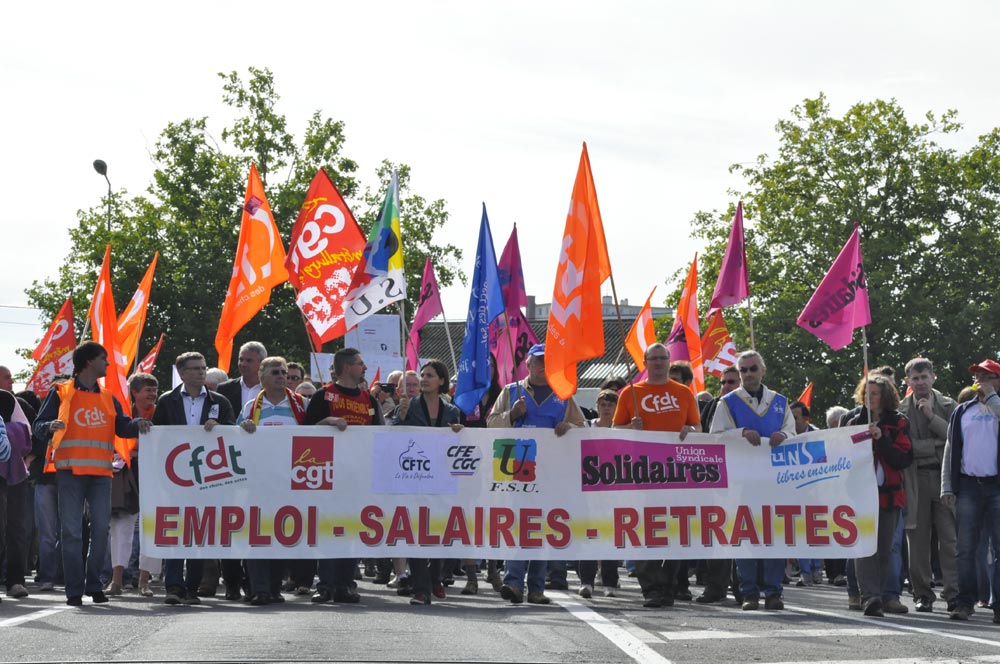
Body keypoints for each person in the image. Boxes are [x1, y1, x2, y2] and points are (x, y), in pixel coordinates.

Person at [33, 342, 152, 606]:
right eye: (103, 359)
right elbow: (38, 426)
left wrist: (137, 423)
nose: (108, 364)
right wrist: (48, 426)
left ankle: (94, 584)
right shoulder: (61, 392)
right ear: (88, 362)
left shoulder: (108, 396)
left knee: (100, 530)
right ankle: (74, 591)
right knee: (72, 532)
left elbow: (122, 426)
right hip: (70, 472)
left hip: (100, 473)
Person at [488, 343, 584, 605]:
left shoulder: (563, 394)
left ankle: (537, 588)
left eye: (547, 362)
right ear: (528, 365)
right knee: (518, 525)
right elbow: (491, 423)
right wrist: (512, 414)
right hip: (517, 466)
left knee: (541, 527)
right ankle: (513, 582)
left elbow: (582, 426)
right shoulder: (511, 392)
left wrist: (569, 427)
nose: (542, 366)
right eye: (538, 361)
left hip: (551, 470)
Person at [613, 343, 700, 608]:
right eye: (654, 359)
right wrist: (630, 426)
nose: (659, 363)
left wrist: (691, 431)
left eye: (664, 358)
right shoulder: (630, 393)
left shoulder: (684, 393)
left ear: (669, 361)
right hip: (641, 473)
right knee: (646, 530)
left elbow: (697, 425)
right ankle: (651, 587)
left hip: (676, 474)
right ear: (645, 361)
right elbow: (614, 429)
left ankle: (669, 586)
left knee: (673, 530)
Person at [709, 350, 795, 611]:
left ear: (763, 370)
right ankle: (748, 593)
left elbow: (793, 432)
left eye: (752, 369)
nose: (748, 374)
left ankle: (773, 592)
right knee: (745, 536)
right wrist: (741, 433)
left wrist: (783, 434)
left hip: (773, 481)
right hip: (742, 481)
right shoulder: (727, 402)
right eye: (743, 370)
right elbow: (716, 437)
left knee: (773, 535)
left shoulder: (780, 402)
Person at [151, 351, 235, 605]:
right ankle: (173, 587)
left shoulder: (219, 401)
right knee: (177, 531)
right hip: (177, 477)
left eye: (203, 367)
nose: (201, 372)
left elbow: (233, 432)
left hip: (209, 476)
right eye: (195, 368)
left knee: (199, 532)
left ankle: (192, 587)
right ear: (183, 373)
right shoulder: (167, 400)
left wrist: (220, 427)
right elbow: (157, 437)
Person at [307, 348, 384, 605]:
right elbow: (304, 433)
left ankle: (346, 585)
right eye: (361, 363)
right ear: (348, 367)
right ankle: (325, 584)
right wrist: (327, 421)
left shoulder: (368, 399)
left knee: (351, 529)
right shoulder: (323, 395)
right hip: (327, 473)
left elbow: (380, 435)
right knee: (328, 529)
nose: (365, 367)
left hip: (358, 474)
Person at [389, 359, 463, 605]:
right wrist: (400, 417)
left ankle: (435, 577)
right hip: (414, 478)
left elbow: (458, 444)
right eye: (422, 375)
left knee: (439, 531)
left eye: (430, 375)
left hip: (442, 479)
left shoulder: (451, 411)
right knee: (416, 532)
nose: (424, 379)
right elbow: (393, 437)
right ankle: (421, 588)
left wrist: (459, 431)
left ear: (441, 381)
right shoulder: (409, 406)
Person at [237, 356, 308, 605]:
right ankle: (259, 589)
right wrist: (242, 427)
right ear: (262, 376)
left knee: (282, 536)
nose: (282, 376)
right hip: (258, 481)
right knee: (257, 536)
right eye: (276, 372)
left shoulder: (302, 404)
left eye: (285, 372)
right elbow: (236, 438)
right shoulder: (249, 407)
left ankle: (275, 588)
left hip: (291, 481)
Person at [846, 374, 913, 617]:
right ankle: (870, 597)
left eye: (875, 393)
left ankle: (884, 594)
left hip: (889, 495)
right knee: (864, 548)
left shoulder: (899, 422)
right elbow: (842, 457)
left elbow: (903, 459)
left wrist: (881, 439)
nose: (870, 398)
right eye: (867, 393)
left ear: (885, 396)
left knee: (885, 548)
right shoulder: (852, 421)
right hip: (860, 496)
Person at [942, 359, 1000, 622]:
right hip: (967, 485)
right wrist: (947, 485)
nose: (980, 380)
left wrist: (992, 397)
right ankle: (964, 602)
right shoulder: (962, 410)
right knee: (965, 548)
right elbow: (950, 449)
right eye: (977, 376)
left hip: (997, 486)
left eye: (986, 376)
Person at [900, 357, 958, 613]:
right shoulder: (900, 409)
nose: (921, 382)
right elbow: (905, 446)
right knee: (918, 541)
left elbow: (955, 438)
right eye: (916, 378)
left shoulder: (948, 405)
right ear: (908, 381)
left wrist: (931, 417)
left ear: (934, 377)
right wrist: (936, 445)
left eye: (925, 377)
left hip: (944, 480)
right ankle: (923, 593)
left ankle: (954, 593)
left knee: (950, 540)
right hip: (914, 480)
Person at [213, 340, 266, 598]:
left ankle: (255, 581)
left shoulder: (271, 390)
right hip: (230, 466)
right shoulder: (225, 389)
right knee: (230, 524)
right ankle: (232, 581)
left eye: (249, 360)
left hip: (263, 468)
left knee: (257, 525)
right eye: (241, 359)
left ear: (261, 364)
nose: (243, 364)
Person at [105, 373, 159, 598]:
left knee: (153, 525)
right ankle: (116, 580)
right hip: (126, 474)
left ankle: (144, 582)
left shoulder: (160, 412)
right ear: (134, 392)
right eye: (148, 390)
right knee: (121, 528)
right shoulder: (122, 415)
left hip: (156, 472)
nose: (153, 394)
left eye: (155, 390)